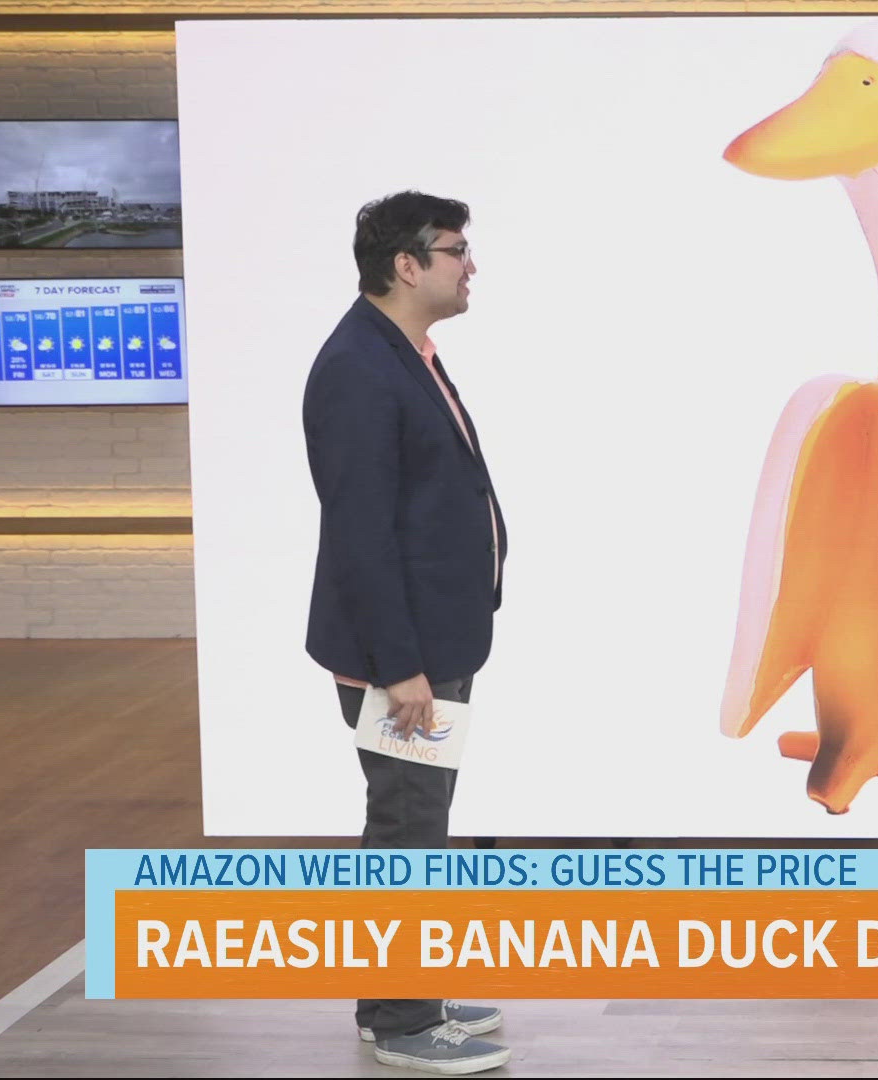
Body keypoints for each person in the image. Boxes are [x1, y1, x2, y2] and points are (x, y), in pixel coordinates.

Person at [303, 190, 511, 1074]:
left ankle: (396, 996)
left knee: (416, 821)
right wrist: (401, 670)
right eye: (457, 250)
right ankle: (402, 1022)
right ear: (407, 264)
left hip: (431, 646)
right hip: (404, 661)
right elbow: (361, 533)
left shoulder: (405, 352)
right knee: (407, 828)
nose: (472, 266)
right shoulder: (359, 366)